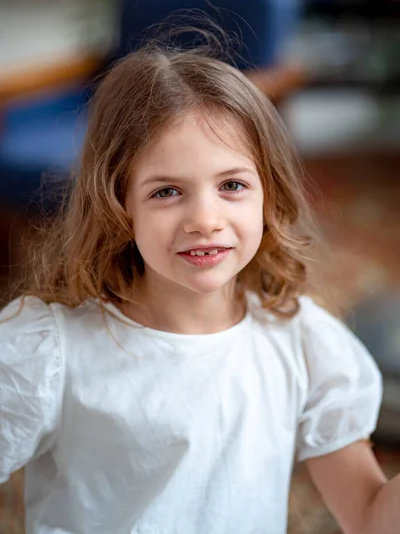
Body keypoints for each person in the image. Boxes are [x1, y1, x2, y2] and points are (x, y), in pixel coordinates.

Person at [0, 44, 398, 534]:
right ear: (120, 206)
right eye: (166, 191)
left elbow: (368, 515)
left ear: (267, 196)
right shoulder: (50, 351)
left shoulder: (305, 344)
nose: (205, 221)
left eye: (232, 185)